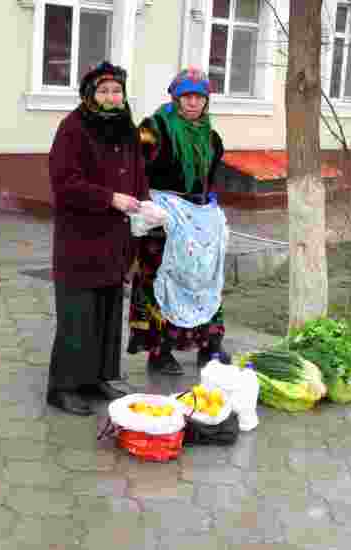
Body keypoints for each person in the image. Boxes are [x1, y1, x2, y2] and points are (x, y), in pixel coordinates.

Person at [47, 61, 149, 416]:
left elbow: (137, 172)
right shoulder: (73, 128)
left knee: (107, 312)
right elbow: (65, 182)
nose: (110, 96)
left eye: (116, 90)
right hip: (81, 238)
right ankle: (63, 387)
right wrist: (110, 198)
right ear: (90, 94)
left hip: (115, 237)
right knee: (78, 314)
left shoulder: (127, 127)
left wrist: (145, 204)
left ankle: (96, 379)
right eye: (103, 91)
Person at [128, 67, 227, 376]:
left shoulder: (210, 136)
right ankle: (160, 351)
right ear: (175, 97)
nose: (193, 103)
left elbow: (210, 177)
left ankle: (209, 345)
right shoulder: (153, 129)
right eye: (187, 96)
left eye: (199, 97)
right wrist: (143, 204)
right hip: (163, 218)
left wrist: (211, 202)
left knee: (204, 277)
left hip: (198, 218)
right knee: (162, 281)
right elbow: (133, 164)